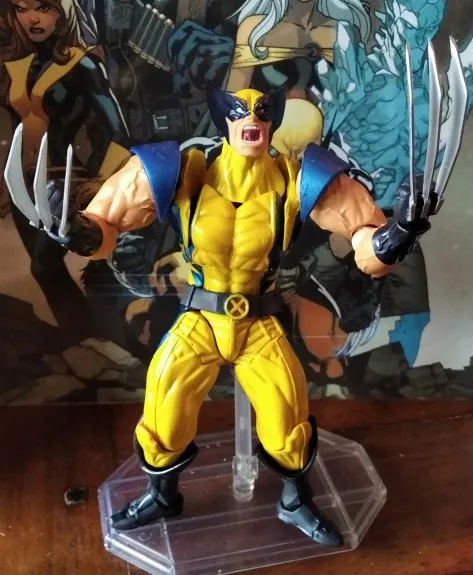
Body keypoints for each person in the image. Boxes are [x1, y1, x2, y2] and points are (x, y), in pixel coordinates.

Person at [6, 84, 444, 545]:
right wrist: (77, 231)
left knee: (287, 418)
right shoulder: (181, 171)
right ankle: (162, 495)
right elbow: (106, 227)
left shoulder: (301, 178)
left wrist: (398, 233)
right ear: (225, 119)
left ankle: (295, 500)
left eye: (262, 110)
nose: (251, 118)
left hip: (259, 322)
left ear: (273, 120)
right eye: (239, 110)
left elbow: (367, 247)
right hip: (201, 317)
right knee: (164, 405)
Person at [0, 0, 130, 340]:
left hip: (63, 181)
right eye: (22, 8)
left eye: (44, 8)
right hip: (21, 182)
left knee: (45, 264)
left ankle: (97, 338)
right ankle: (82, 339)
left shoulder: (82, 65)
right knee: (44, 269)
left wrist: (101, 188)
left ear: (64, 12)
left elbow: (116, 130)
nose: (32, 18)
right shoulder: (17, 64)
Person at [226, 0, 370, 158]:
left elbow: (357, 104)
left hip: (325, 152)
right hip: (265, 150)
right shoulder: (256, 29)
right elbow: (232, 105)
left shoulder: (343, 32)